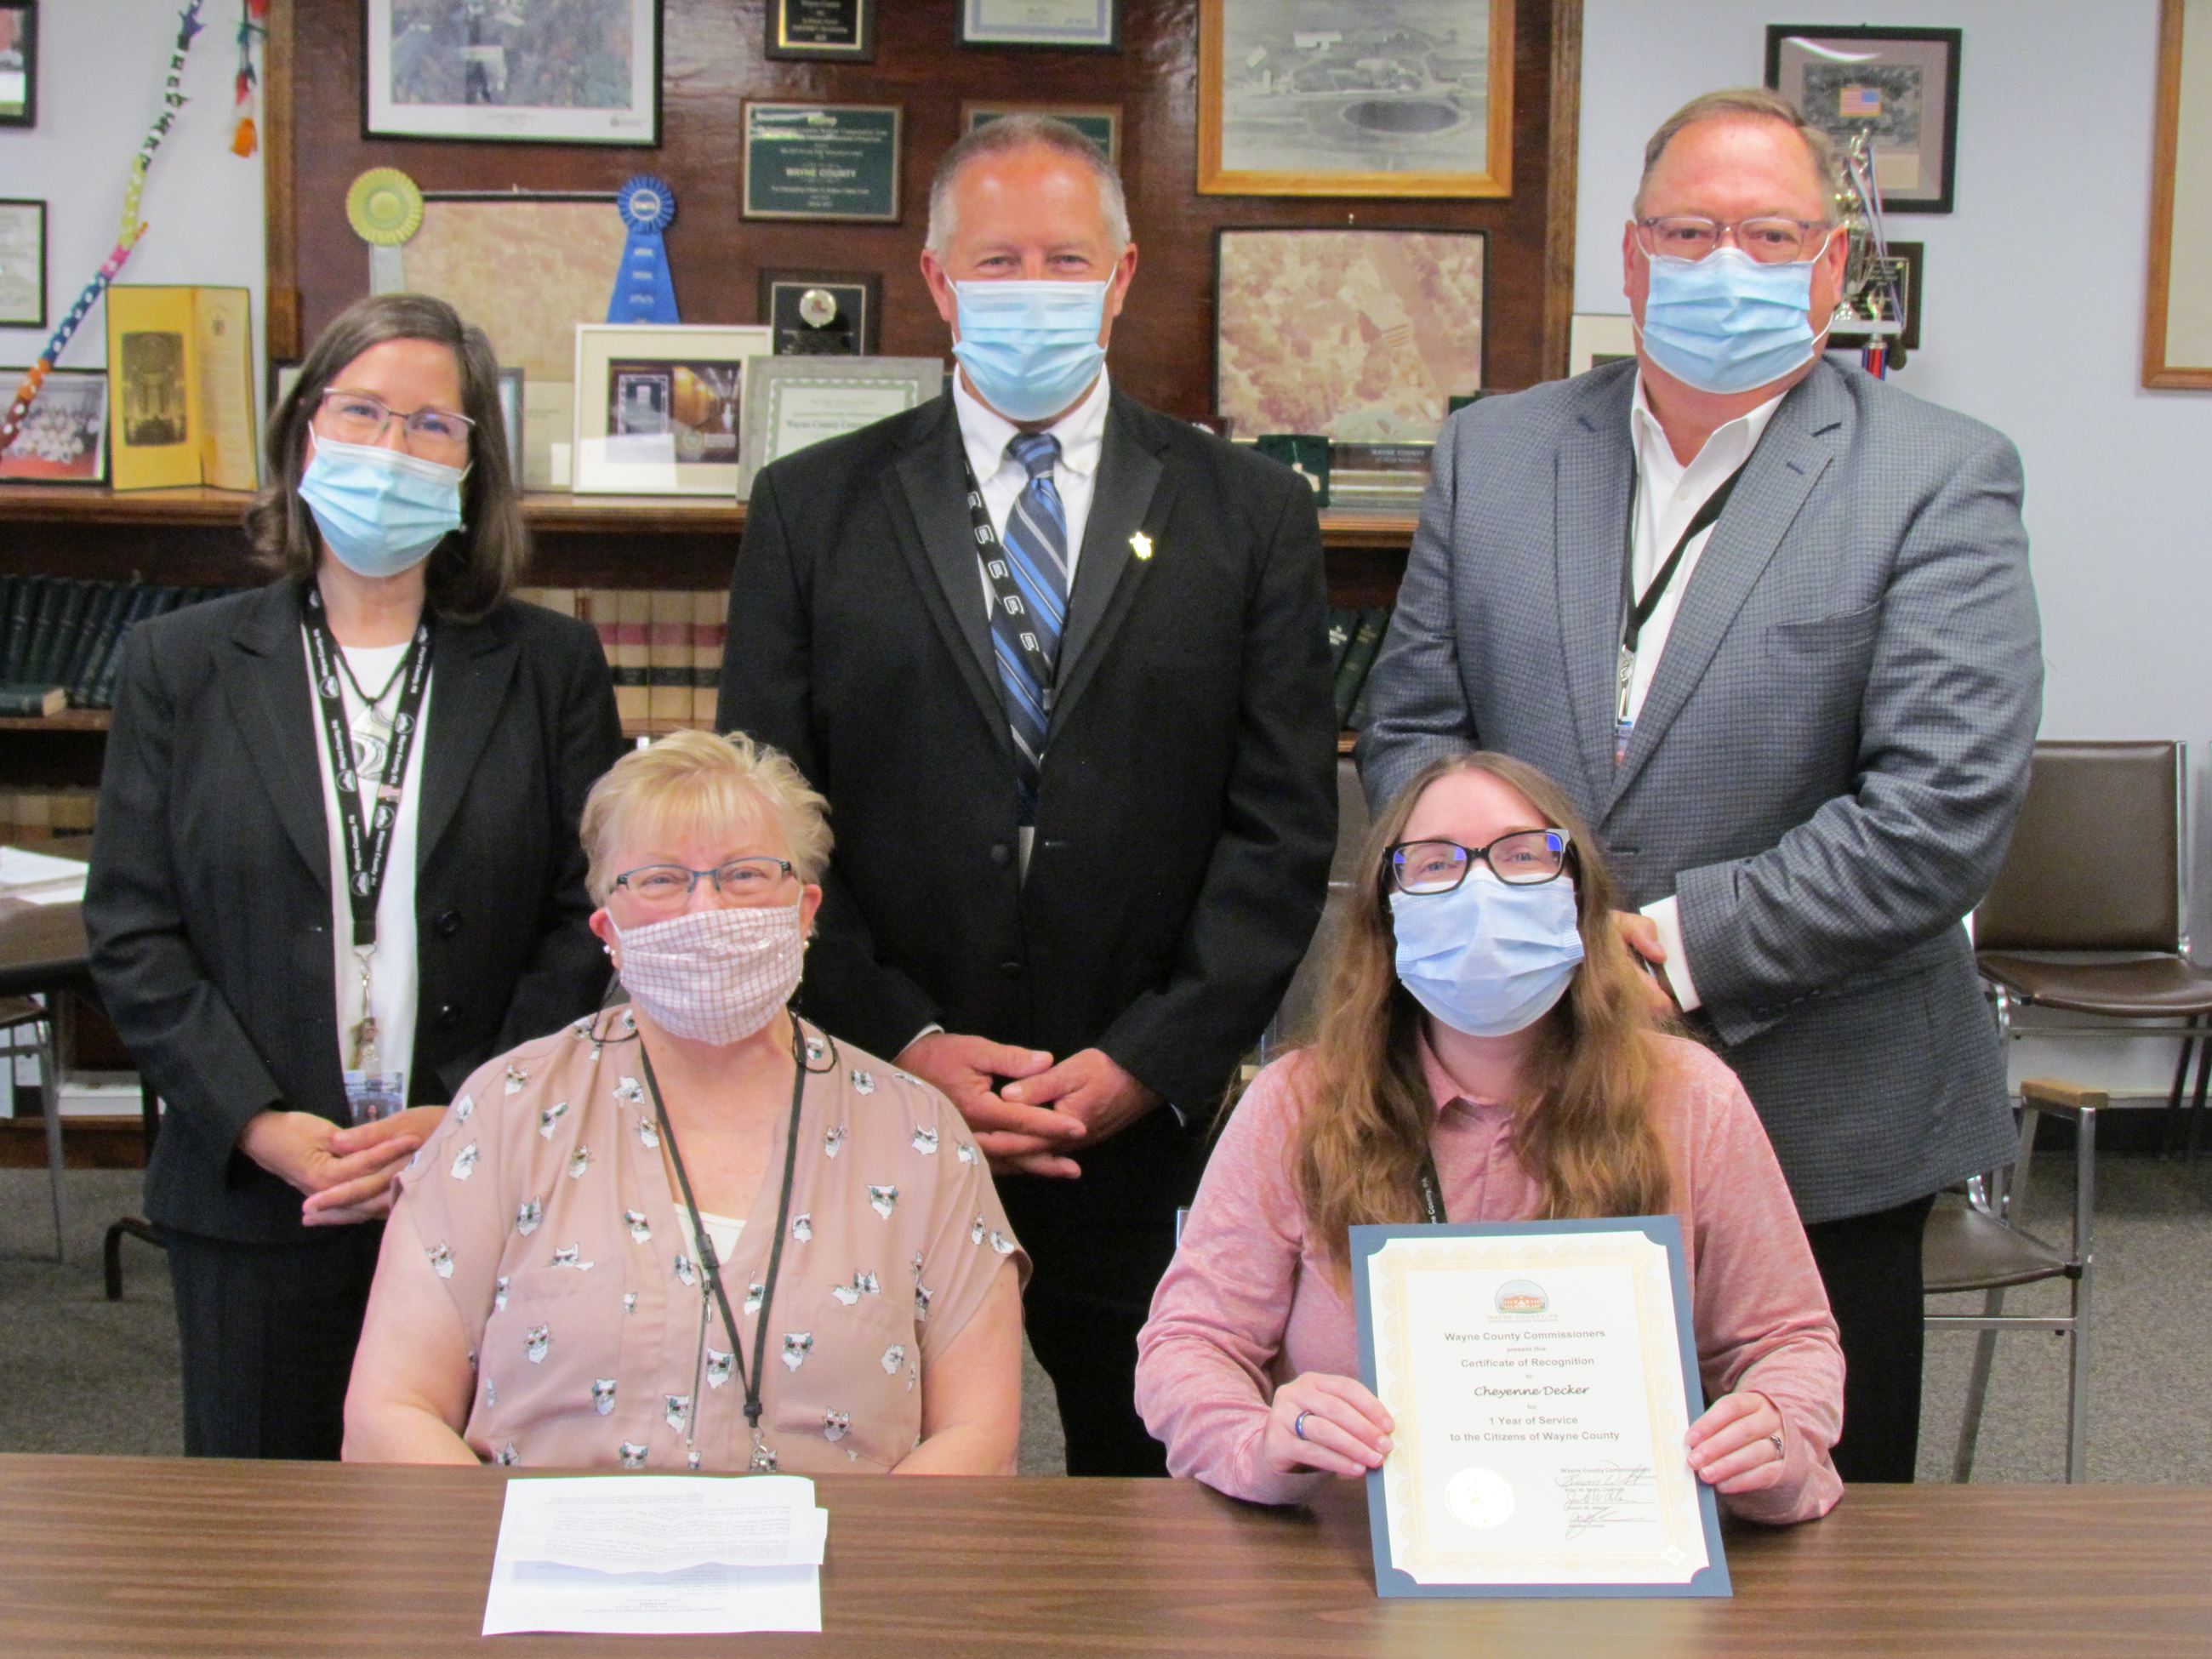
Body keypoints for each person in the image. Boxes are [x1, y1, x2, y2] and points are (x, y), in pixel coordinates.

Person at [1355, 88, 2042, 1482]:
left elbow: (1940, 811)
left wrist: (1664, 948)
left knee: (1804, 1527)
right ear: (1632, 256)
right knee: (1525, 1488)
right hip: (1507, 1086)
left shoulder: (1937, 478)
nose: (1727, 263)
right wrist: (1511, 918)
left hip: (1818, 1112)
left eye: (1772, 233)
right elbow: (1411, 734)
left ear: (1833, 269)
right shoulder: (1498, 452)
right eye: (1690, 230)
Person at [716, 115, 1337, 1475]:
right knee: (878, 1499)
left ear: (1122, 279)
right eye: (999, 260)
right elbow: (757, 823)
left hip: (1136, 1119)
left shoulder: (1250, 514)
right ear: (938, 282)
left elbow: (1283, 826)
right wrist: (904, 1038)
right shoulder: (812, 508)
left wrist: (1150, 1061)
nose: (1034, 287)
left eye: (1068, 258)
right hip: (877, 1101)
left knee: (1164, 1498)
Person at [85, 293, 624, 1460]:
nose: (392, 448)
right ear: (302, 436)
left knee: (477, 1531)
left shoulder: (550, 666)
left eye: (433, 426)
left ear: (474, 468)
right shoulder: (177, 663)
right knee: (263, 1545)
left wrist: (472, 1114)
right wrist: (260, 1122)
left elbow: (583, 919)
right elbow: (133, 926)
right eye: (364, 412)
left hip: (489, 1182)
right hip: (258, 1187)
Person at [1136, 753, 1844, 1525]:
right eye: (1435, 864)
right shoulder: (1296, 1105)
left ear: (1580, 895)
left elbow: (1791, 1344)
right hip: (1349, 1558)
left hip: (1610, 1550)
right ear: (1387, 911)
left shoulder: (1690, 1097)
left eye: (1522, 855)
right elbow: (1187, 1349)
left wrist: (1774, 1431)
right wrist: (1261, 1445)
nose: (1482, 890)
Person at [342, 731, 1028, 1474]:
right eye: (664, 880)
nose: (706, 908)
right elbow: (391, 1411)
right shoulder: (505, 1110)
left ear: (805, 911)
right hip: (540, 1578)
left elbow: (979, 1438)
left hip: (840, 1580)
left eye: (743, 875)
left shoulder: (920, 1135)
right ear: (607, 927)